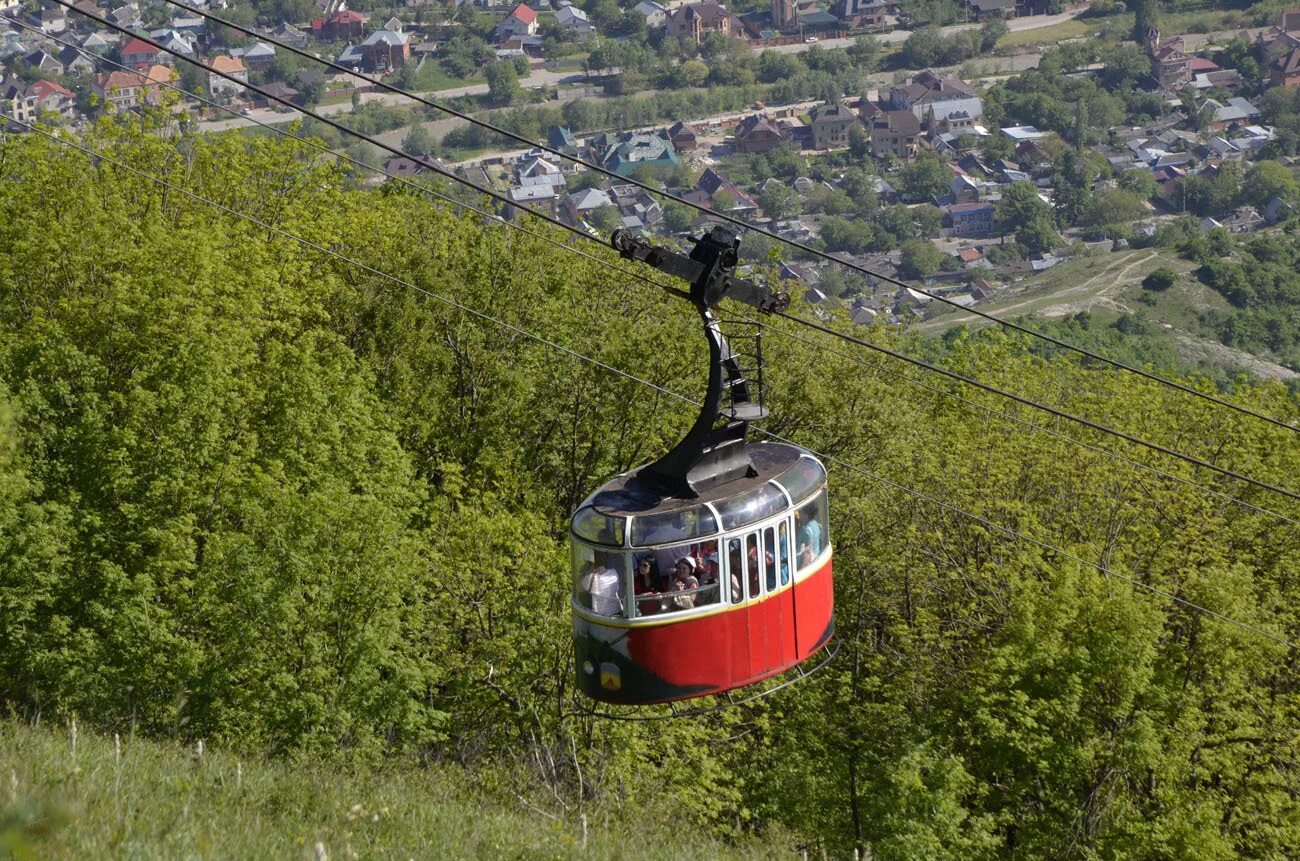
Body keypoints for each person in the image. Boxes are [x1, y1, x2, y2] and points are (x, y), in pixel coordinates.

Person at [585, 552, 623, 617]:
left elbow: (579, 588)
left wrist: (587, 571)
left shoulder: (592, 577)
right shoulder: (614, 572)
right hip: (617, 611)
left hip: (601, 616)